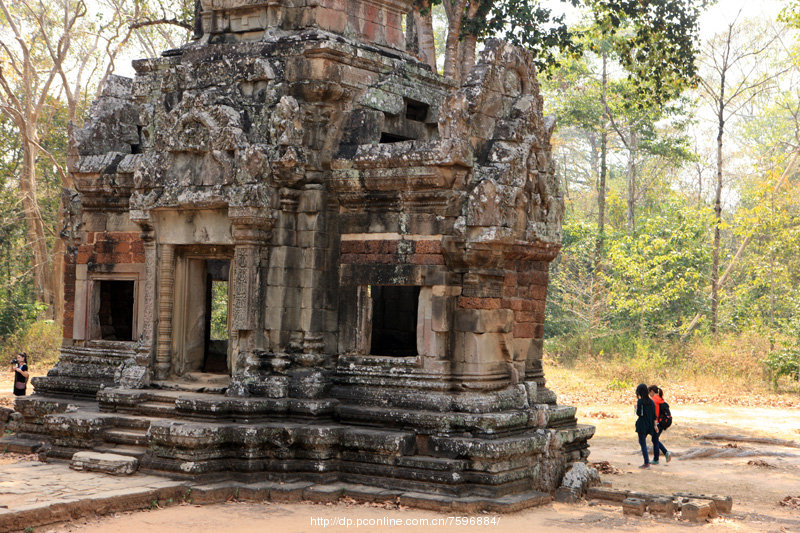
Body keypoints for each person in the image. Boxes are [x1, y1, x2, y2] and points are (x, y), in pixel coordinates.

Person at [635, 383, 659, 468]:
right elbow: (654, 415)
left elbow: (639, 414)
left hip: (642, 425)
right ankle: (654, 459)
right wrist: (655, 425)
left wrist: (636, 409)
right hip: (650, 424)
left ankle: (646, 462)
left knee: (642, 443)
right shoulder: (651, 402)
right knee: (655, 441)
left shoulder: (640, 402)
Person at [649, 385, 671, 464]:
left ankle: (658, 458)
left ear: (651, 391)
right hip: (662, 423)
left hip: (657, 423)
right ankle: (662, 455)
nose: (649, 395)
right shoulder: (660, 398)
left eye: (649, 393)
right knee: (655, 439)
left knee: (654, 440)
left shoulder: (654, 400)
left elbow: (654, 413)